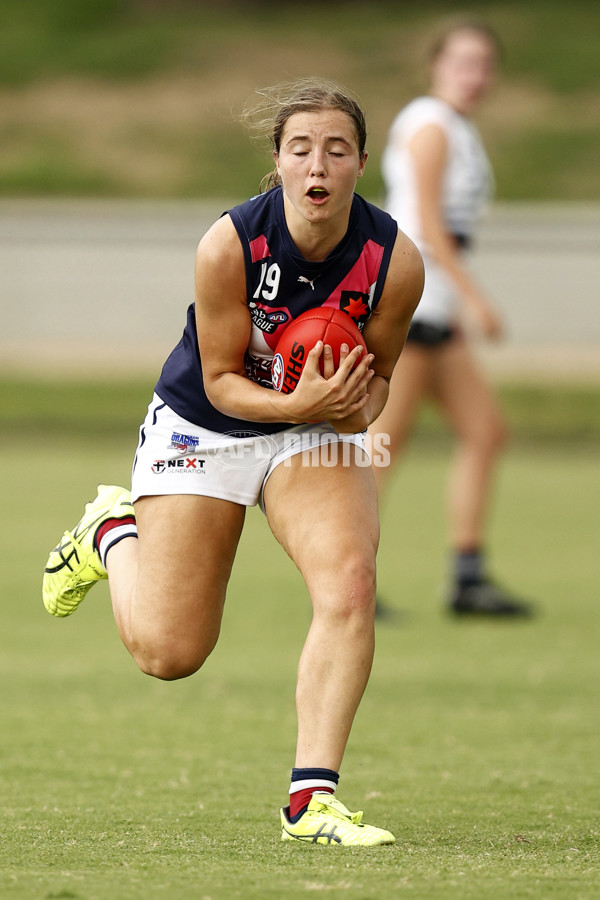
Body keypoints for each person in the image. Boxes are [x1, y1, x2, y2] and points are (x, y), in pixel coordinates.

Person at [42, 78, 424, 846]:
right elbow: (220, 379)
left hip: (310, 431)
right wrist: (297, 405)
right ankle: (112, 532)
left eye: (337, 149)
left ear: (361, 164)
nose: (319, 163)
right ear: (278, 163)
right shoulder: (230, 246)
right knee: (168, 652)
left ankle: (310, 802)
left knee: (349, 580)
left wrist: (356, 408)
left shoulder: (394, 262)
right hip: (206, 423)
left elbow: (377, 384)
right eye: (301, 148)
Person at [371, 21, 534, 617]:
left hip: (437, 314)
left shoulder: (458, 129)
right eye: (464, 62)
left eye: (485, 64)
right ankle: (345, 576)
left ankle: (467, 579)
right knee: (380, 449)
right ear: (436, 64)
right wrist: (477, 296)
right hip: (409, 306)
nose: (476, 75)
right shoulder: (431, 125)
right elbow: (429, 227)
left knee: (486, 431)